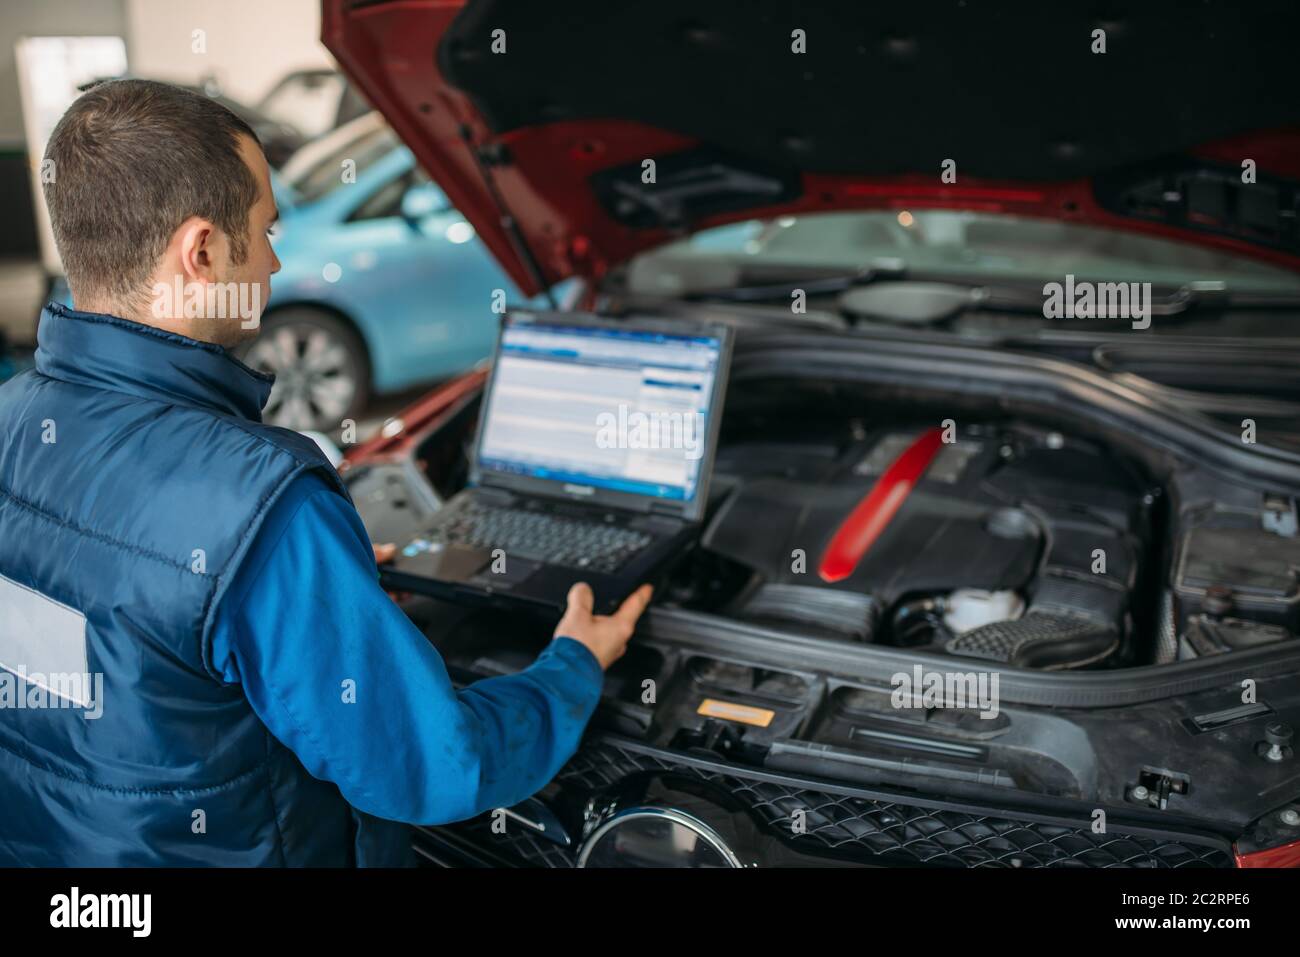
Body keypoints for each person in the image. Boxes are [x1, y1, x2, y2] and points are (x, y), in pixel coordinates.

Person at [0, 79, 651, 866]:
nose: (274, 260)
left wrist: (306, 594)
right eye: (266, 231)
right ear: (202, 251)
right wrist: (573, 667)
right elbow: (431, 765)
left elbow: (107, 622)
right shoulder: (257, 503)